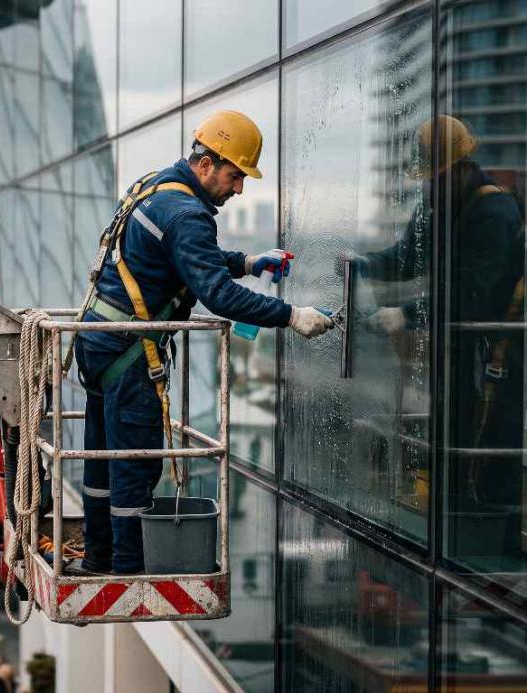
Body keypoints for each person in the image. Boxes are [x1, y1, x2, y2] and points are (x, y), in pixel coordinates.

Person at [75, 110, 334, 575]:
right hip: (130, 354)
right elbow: (214, 292)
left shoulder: (154, 186)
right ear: (207, 163)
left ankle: (99, 558)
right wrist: (292, 316)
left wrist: (250, 262)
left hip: (99, 342)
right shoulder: (188, 214)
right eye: (236, 175)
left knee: (102, 459)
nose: (239, 189)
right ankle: (128, 571)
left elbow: (185, 258)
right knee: (134, 467)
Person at [348, 115, 524, 558]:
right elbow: (407, 259)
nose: (428, 186)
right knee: (457, 427)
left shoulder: (494, 211)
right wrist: (362, 262)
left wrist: (405, 315)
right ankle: (460, 511)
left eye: (435, 177)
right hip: (465, 349)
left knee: (491, 436)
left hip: (503, 350)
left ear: (461, 167)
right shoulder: (438, 205)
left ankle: (490, 527)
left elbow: (473, 294)